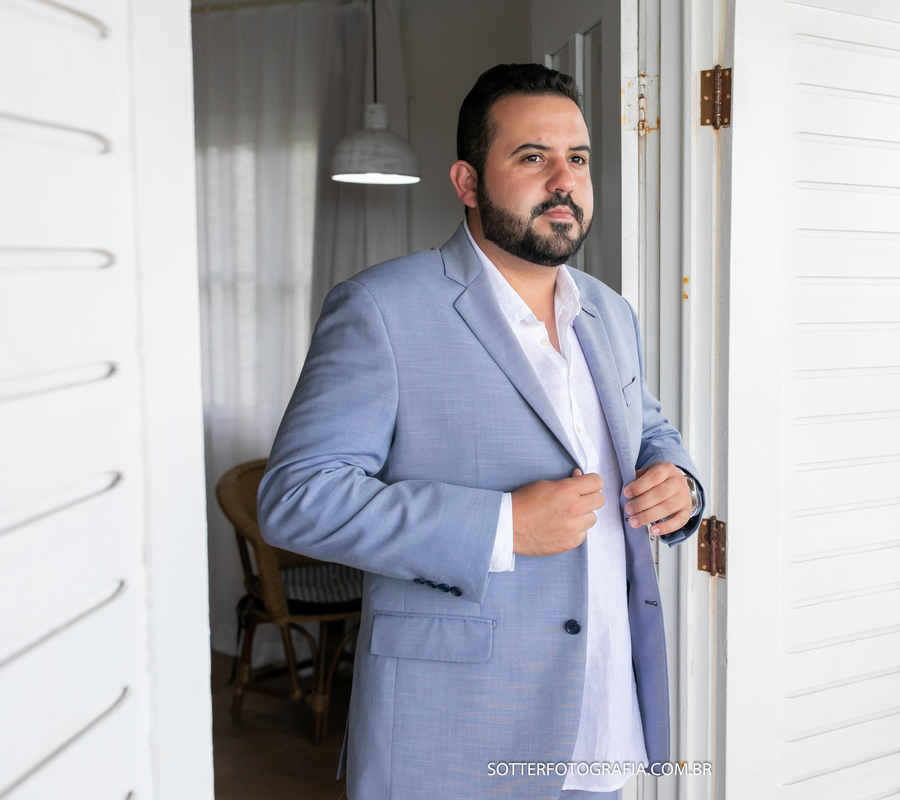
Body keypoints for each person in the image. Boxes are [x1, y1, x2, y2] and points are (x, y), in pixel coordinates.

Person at [258, 63, 705, 800]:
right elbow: (297, 498)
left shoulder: (610, 311)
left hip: (602, 723)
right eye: (533, 157)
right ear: (467, 182)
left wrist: (677, 480)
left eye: (579, 159)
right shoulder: (380, 309)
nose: (564, 179)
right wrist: (502, 526)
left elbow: (646, 426)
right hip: (453, 736)